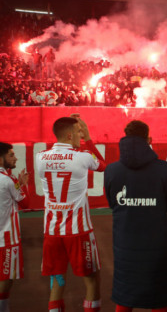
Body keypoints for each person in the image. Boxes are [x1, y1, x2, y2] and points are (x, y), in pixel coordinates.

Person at [104, 120, 167, 312]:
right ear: (149, 139)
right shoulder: (165, 169)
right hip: (157, 247)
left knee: (125, 297)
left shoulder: (111, 170)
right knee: (159, 298)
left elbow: (112, 204)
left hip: (125, 245)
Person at [35, 115, 106, 312]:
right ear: (69, 134)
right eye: (78, 132)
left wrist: (81, 137)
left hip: (52, 231)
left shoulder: (40, 156)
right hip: (78, 230)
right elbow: (103, 165)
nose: (80, 136)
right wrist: (89, 139)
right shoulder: (82, 156)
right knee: (91, 280)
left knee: (57, 281)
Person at [0, 143, 29, 312]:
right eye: (11, 155)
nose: (15, 157)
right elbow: (25, 203)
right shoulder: (9, 181)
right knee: (5, 282)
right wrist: (23, 184)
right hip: (6, 240)